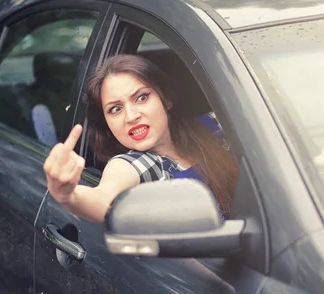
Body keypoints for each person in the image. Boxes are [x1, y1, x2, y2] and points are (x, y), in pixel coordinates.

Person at [43, 54, 238, 223]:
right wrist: (68, 195)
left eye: (141, 98)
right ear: (107, 123)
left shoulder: (214, 127)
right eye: (115, 109)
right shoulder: (138, 165)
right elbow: (103, 199)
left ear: (166, 99)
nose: (131, 116)